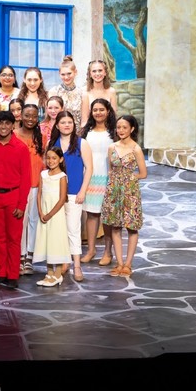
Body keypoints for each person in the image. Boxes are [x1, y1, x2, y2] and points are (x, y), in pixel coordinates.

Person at [0, 111, 32, 289]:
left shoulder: (21, 147)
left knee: (14, 238)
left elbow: (26, 179)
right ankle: (1, 273)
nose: (3, 127)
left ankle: (13, 274)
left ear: (13, 125)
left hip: (13, 196)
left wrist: (21, 204)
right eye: (0, 123)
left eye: (7, 124)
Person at [49, 111, 93, 282]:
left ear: (73, 125)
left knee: (73, 229)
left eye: (69, 122)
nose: (66, 125)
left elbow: (89, 168)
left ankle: (77, 265)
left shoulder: (82, 143)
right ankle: (63, 262)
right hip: (56, 193)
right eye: (63, 122)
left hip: (75, 192)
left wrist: (83, 191)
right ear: (57, 125)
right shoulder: (53, 143)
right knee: (59, 230)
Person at [102, 115, 147, 277]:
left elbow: (143, 173)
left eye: (125, 127)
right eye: (119, 127)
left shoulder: (136, 149)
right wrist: (112, 185)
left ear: (132, 129)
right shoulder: (112, 147)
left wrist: (128, 180)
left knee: (131, 226)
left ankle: (128, 264)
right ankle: (119, 263)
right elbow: (110, 170)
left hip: (130, 191)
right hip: (114, 190)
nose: (121, 130)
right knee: (115, 226)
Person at [80, 98, 117, 266]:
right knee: (92, 213)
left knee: (107, 216)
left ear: (108, 111)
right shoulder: (86, 132)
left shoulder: (114, 132)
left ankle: (108, 252)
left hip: (108, 177)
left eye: (102, 109)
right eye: (95, 110)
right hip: (90, 176)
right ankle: (91, 250)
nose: (98, 113)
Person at [33, 146, 69, 287]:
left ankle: (58, 274)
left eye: (54, 158)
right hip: (44, 214)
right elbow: (40, 194)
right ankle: (49, 273)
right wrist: (41, 212)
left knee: (56, 241)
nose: (51, 161)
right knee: (46, 241)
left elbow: (61, 199)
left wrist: (49, 214)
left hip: (55, 215)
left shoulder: (62, 177)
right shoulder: (43, 174)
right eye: (48, 158)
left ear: (60, 159)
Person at [15, 103, 44, 276]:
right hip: (19, 185)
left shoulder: (42, 137)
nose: (30, 119)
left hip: (36, 184)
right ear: (21, 116)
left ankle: (29, 257)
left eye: (34, 116)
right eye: (27, 115)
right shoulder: (14, 136)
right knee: (21, 221)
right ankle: (19, 255)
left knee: (34, 221)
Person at [49, 56, 84, 127]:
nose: (66, 77)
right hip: (58, 132)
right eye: (63, 74)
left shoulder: (83, 93)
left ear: (75, 72)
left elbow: (84, 120)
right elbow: (51, 117)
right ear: (59, 74)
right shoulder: (54, 91)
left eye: (69, 73)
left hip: (77, 134)